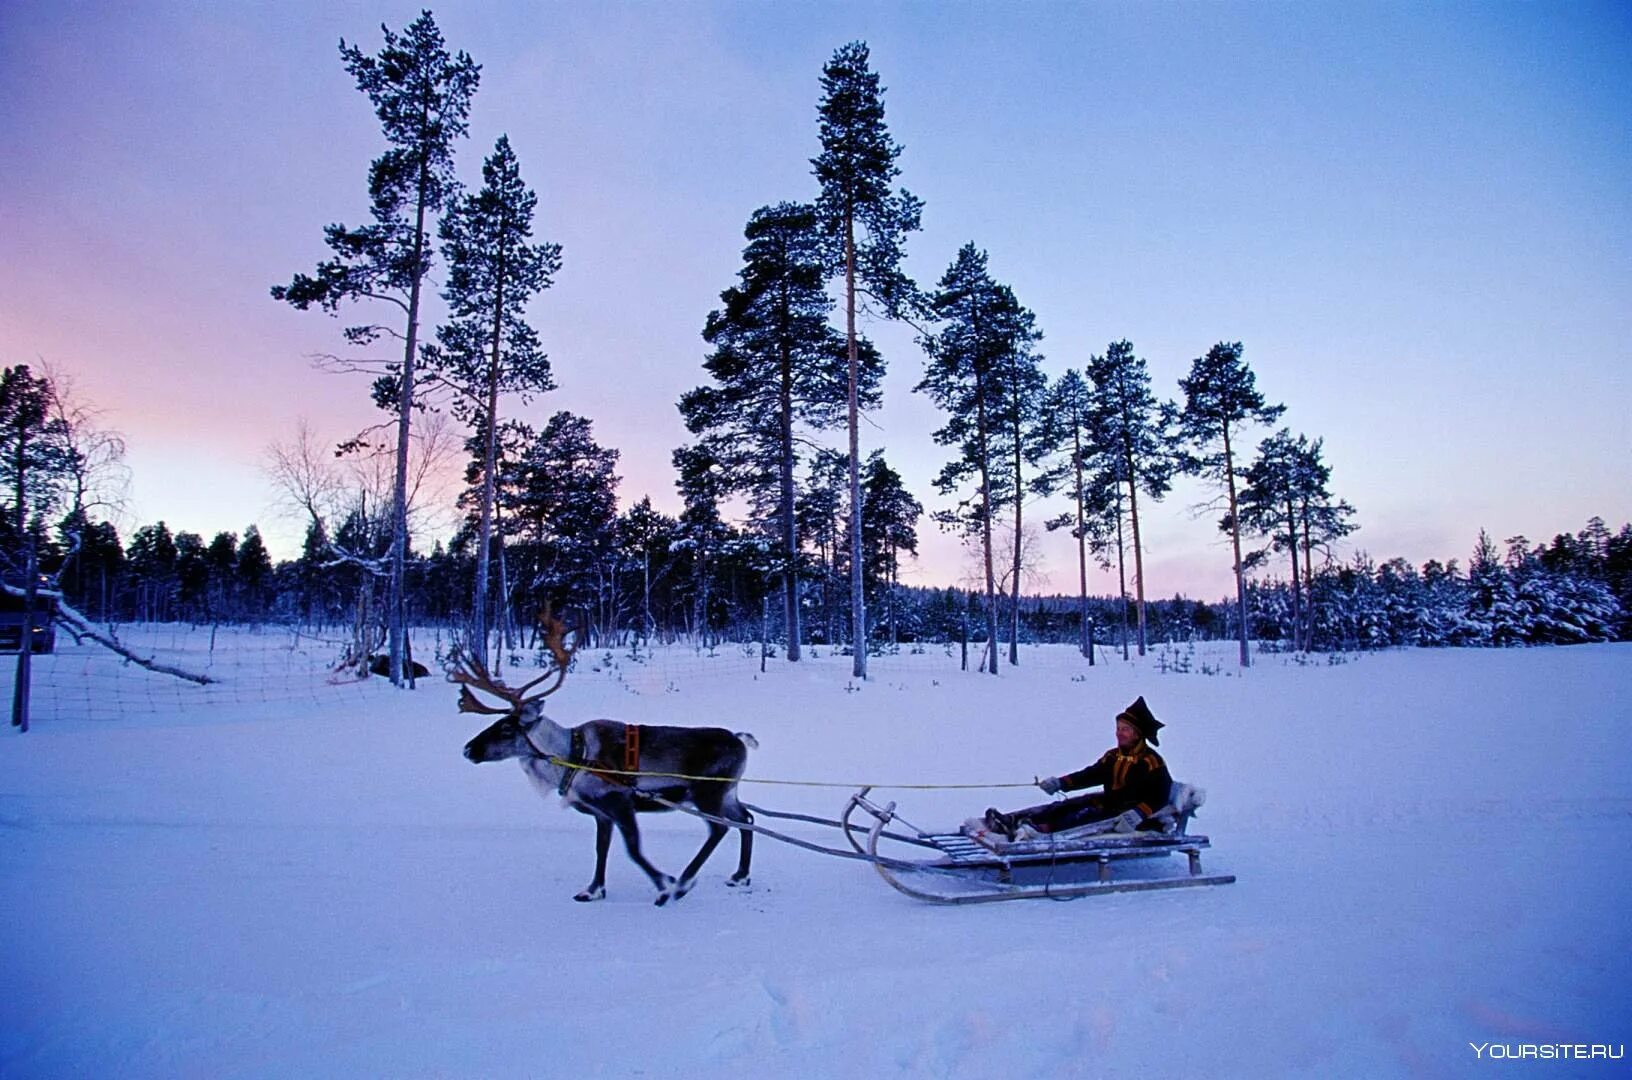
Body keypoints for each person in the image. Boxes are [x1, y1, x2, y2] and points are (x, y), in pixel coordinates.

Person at [984, 696, 1173, 840]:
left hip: (1126, 816)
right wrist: (1060, 783)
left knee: (1081, 817)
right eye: (1118, 728)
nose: (1119, 733)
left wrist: (1138, 814)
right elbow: (1090, 775)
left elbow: (1160, 796)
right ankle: (1012, 820)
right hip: (1108, 803)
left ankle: (1037, 831)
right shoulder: (1113, 756)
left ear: (1137, 734)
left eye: (1125, 729)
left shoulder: (1151, 762)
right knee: (1064, 806)